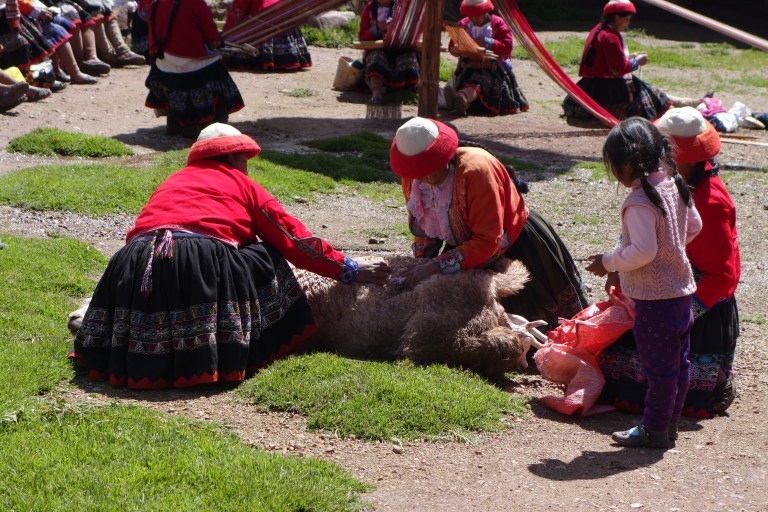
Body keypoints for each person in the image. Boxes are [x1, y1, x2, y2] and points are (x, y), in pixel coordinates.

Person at [70, 123, 391, 390]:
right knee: (266, 255)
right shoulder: (242, 183)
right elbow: (293, 240)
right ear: (235, 156)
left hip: (134, 260)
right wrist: (348, 268)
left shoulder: (172, 181)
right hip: (199, 257)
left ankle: (129, 349)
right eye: (245, 158)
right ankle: (244, 347)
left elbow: (144, 233)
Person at [598, 107, 740, 420]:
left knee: (661, 370)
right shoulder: (668, 183)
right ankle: (665, 418)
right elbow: (648, 237)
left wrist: (683, 310)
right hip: (669, 288)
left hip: (695, 300)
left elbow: (722, 275)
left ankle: (659, 423)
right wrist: (621, 269)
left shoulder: (712, 202)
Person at [389, 117, 588, 332]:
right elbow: (424, 224)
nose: (427, 177)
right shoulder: (413, 177)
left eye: (433, 169)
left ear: (445, 154)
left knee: (541, 329)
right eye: (420, 173)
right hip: (464, 246)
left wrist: (437, 265)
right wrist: (421, 263)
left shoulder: (477, 171)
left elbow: (487, 239)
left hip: (514, 243)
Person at [586, 117, 703, 449]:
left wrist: (608, 261)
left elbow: (643, 252)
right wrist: (673, 249)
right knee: (679, 364)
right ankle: (668, 424)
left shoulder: (639, 202)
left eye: (612, 166)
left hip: (655, 302)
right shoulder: (674, 184)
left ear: (626, 164)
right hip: (682, 294)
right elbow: (694, 225)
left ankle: (654, 429)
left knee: (659, 371)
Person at [563, 0, 696, 121]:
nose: (628, 23)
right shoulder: (611, 37)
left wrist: (630, 57)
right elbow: (620, 69)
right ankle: (677, 105)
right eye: (627, 19)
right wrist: (637, 61)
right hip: (606, 89)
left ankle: (678, 102)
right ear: (617, 17)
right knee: (639, 87)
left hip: (590, 85)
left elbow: (606, 61)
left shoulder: (598, 30)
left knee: (640, 84)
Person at [143, 0, 244, 137]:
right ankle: (207, 123)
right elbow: (212, 37)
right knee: (219, 72)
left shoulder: (157, 3)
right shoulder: (195, 3)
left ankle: (175, 122)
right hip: (191, 64)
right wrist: (218, 42)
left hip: (163, 64)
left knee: (203, 63)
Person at [444, 0, 528, 116]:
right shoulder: (464, 24)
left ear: (485, 12)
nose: (473, 18)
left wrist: (487, 42)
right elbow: (452, 45)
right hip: (467, 69)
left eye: (476, 15)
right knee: (459, 82)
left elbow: (507, 46)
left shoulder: (497, 23)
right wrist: (456, 50)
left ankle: (463, 97)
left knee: (478, 82)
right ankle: (459, 100)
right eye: (470, 15)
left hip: (492, 71)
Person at [358, 0, 419, 104]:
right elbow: (362, 37)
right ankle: (376, 95)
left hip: (400, 48)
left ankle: (414, 89)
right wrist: (377, 28)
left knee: (409, 58)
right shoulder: (369, 9)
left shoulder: (402, 7)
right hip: (377, 49)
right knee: (376, 59)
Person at [222, 0, 312, 71]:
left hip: (262, 23)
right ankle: (289, 56)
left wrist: (227, 33)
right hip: (283, 18)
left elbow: (238, 11)